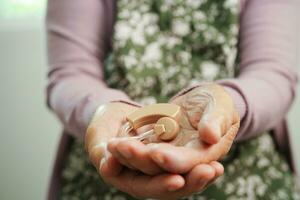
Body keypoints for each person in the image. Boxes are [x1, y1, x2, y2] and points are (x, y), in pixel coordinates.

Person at [46, 0, 299, 199]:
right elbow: (70, 75)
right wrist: (103, 109)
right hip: (107, 166)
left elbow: (273, 75)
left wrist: (229, 104)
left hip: (246, 174)